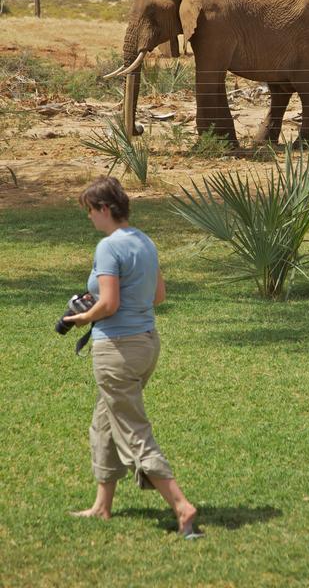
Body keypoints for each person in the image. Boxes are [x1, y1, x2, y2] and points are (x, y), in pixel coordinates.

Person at [63, 176, 200, 538]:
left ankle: (181, 506)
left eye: (90, 211)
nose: (90, 218)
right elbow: (158, 296)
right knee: (105, 423)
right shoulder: (145, 241)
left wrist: (81, 317)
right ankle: (102, 506)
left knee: (133, 431)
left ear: (105, 209)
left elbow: (109, 304)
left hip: (117, 350)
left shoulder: (109, 247)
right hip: (146, 344)